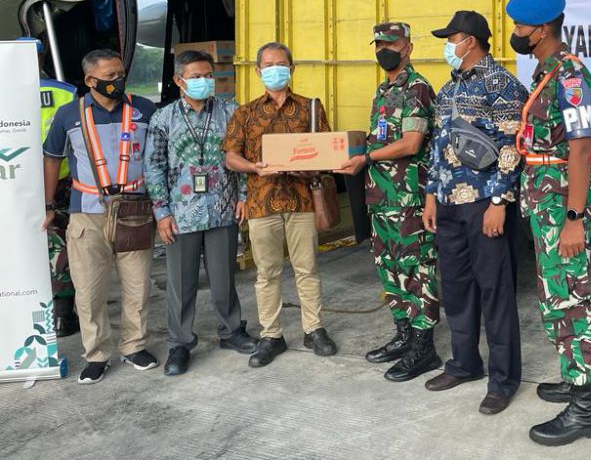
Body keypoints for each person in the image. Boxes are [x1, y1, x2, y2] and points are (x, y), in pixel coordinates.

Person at [506, 0, 591, 446]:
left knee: (566, 299)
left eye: (520, 28)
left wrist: (573, 217)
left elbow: (582, 149)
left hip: (561, 204)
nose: (515, 34)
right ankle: (585, 381)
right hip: (545, 201)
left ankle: (585, 408)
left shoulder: (569, 76)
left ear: (541, 30)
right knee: (557, 295)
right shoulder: (546, 73)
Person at [422, 11, 528, 416]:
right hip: (448, 203)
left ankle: (503, 380)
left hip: (485, 203)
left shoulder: (500, 83)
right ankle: (464, 364)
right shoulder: (449, 88)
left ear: (471, 40)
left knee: (494, 291)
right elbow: (437, 147)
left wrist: (500, 202)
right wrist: (432, 194)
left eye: (451, 38)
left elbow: (511, 146)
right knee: (457, 288)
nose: (448, 45)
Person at [41, 49, 158, 385]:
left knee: (137, 285)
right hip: (87, 214)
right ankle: (96, 354)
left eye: (120, 74)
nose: (117, 82)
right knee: (89, 291)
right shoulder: (68, 115)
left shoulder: (143, 109)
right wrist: (48, 204)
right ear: (90, 81)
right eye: (109, 77)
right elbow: (51, 159)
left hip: (135, 211)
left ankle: (134, 346)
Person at [144, 50, 259, 376]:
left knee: (224, 278)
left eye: (208, 75)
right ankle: (180, 343)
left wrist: (245, 196)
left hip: (222, 210)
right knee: (181, 283)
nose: (204, 82)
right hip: (181, 215)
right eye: (196, 77)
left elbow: (244, 157)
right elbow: (154, 168)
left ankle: (231, 331)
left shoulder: (230, 111)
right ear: (179, 80)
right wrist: (161, 213)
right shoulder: (163, 119)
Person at [222, 42, 337, 367]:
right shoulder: (245, 112)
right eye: (268, 65)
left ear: (292, 69)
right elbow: (231, 156)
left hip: (302, 201)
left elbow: (326, 149)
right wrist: (254, 167)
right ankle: (272, 335)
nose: (275, 70)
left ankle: (314, 329)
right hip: (261, 204)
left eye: (281, 64)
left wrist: (309, 164)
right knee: (267, 273)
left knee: (307, 269)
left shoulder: (310, 109)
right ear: (259, 71)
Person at [338, 22, 441, 382]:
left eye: (391, 43)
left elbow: (412, 144)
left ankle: (425, 347)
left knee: (416, 271)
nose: (384, 49)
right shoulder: (383, 90)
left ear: (408, 47)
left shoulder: (416, 88)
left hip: (408, 199)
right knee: (390, 269)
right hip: (382, 199)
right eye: (379, 43)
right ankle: (404, 335)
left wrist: (366, 157)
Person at [20, 36, 79, 337]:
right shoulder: (64, 92)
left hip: (16, 184)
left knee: (27, 249)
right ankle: (63, 316)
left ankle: (36, 312)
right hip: (60, 185)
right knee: (62, 251)